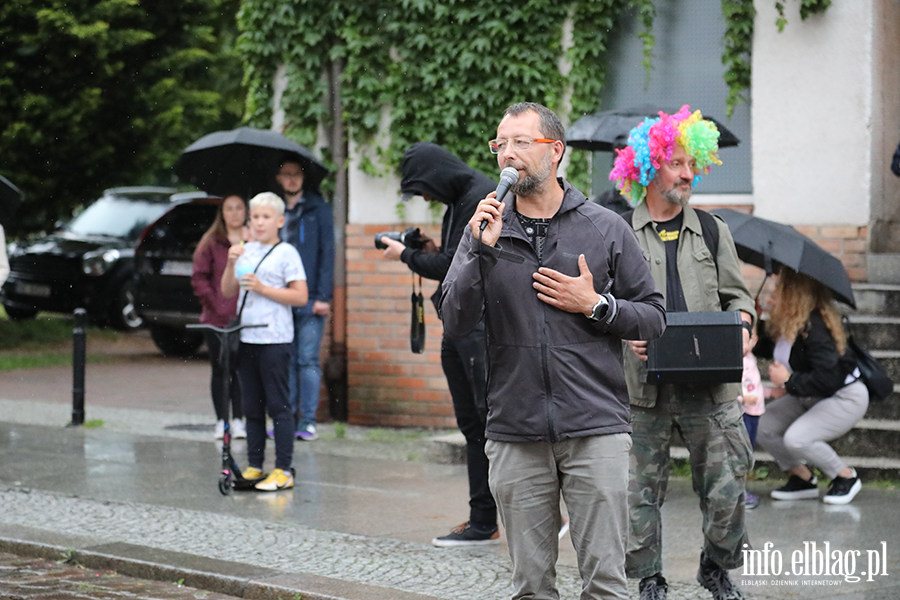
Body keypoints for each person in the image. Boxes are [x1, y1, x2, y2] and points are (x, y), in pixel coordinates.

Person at [441, 102, 666, 600]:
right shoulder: (485, 227)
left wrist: (598, 306)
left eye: (522, 142)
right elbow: (454, 321)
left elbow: (653, 315)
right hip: (515, 430)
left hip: (596, 427)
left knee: (607, 584)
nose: (508, 154)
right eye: (501, 144)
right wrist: (481, 250)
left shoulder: (605, 226)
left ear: (555, 151)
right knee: (530, 587)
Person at [610, 105, 756, 600]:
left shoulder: (714, 230)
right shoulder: (617, 233)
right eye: (677, 162)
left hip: (710, 386)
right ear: (648, 168)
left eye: (692, 163)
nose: (689, 173)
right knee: (637, 496)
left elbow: (739, 296)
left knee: (728, 489)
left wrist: (745, 324)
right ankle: (649, 575)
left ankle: (716, 566)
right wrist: (620, 331)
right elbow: (599, 307)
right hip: (642, 389)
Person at [379, 142, 499, 547]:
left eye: (423, 189)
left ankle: (494, 519)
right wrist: (427, 251)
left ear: (434, 175)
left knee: (487, 425)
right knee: (472, 427)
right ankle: (482, 518)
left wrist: (405, 256)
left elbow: (457, 267)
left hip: (478, 329)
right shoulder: (460, 201)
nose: (425, 198)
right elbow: (454, 259)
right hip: (460, 328)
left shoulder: (479, 195)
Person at [755, 267, 867, 505]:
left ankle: (845, 476)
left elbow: (829, 378)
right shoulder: (788, 323)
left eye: (778, 290)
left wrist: (787, 381)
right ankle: (803, 479)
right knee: (763, 425)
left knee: (797, 439)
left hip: (843, 396)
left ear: (793, 295)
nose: (771, 295)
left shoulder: (815, 329)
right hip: (809, 395)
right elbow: (764, 347)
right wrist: (753, 321)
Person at [222, 192, 308, 491]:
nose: (259, 223)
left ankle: (284, 469)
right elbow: (228, 291)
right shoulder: (244, 251)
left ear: (280, 221)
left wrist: (264, 288)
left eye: (265, 217)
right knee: (251, 406)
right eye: (255, 217)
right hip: (247, 336)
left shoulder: (287, 253)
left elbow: (300, 296)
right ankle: (255, 465)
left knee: (278, 405)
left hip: (274, 337)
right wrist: (231, 264)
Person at [277, 156, 335, 442]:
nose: (291, 179)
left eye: (296, 174)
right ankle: (285, 420)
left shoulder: (318, 210)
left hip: (311, 298)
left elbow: (328, 254)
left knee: (307, 360)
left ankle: (308, 421)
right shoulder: (272, 212)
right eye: (286, 174)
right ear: (278, 179)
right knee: (285, 361)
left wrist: (324, 296)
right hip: (279, 298)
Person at [191, 194, 248, 440]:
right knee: (221, 370)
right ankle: (222, 420)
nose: (234, 213)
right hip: (217, 318)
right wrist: (215, 304)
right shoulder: (211, 242)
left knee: (242, 371)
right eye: (229, 208)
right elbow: (199, 278)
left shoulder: (253, 240)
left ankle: (240, 419)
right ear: (222, 213)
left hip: (245, 316)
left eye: (239, 208)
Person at [739, 326, 763, 509]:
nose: (750, 341)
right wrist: (743, 398)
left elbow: (755, 386)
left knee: (748, 451)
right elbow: (729, 386)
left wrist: (770, 392)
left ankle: (741, 490)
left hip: (754, 413)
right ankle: (739, 492)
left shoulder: (751, 358)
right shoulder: (738, 360)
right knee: (741, 452)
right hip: (744, 412)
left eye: (752, 336)